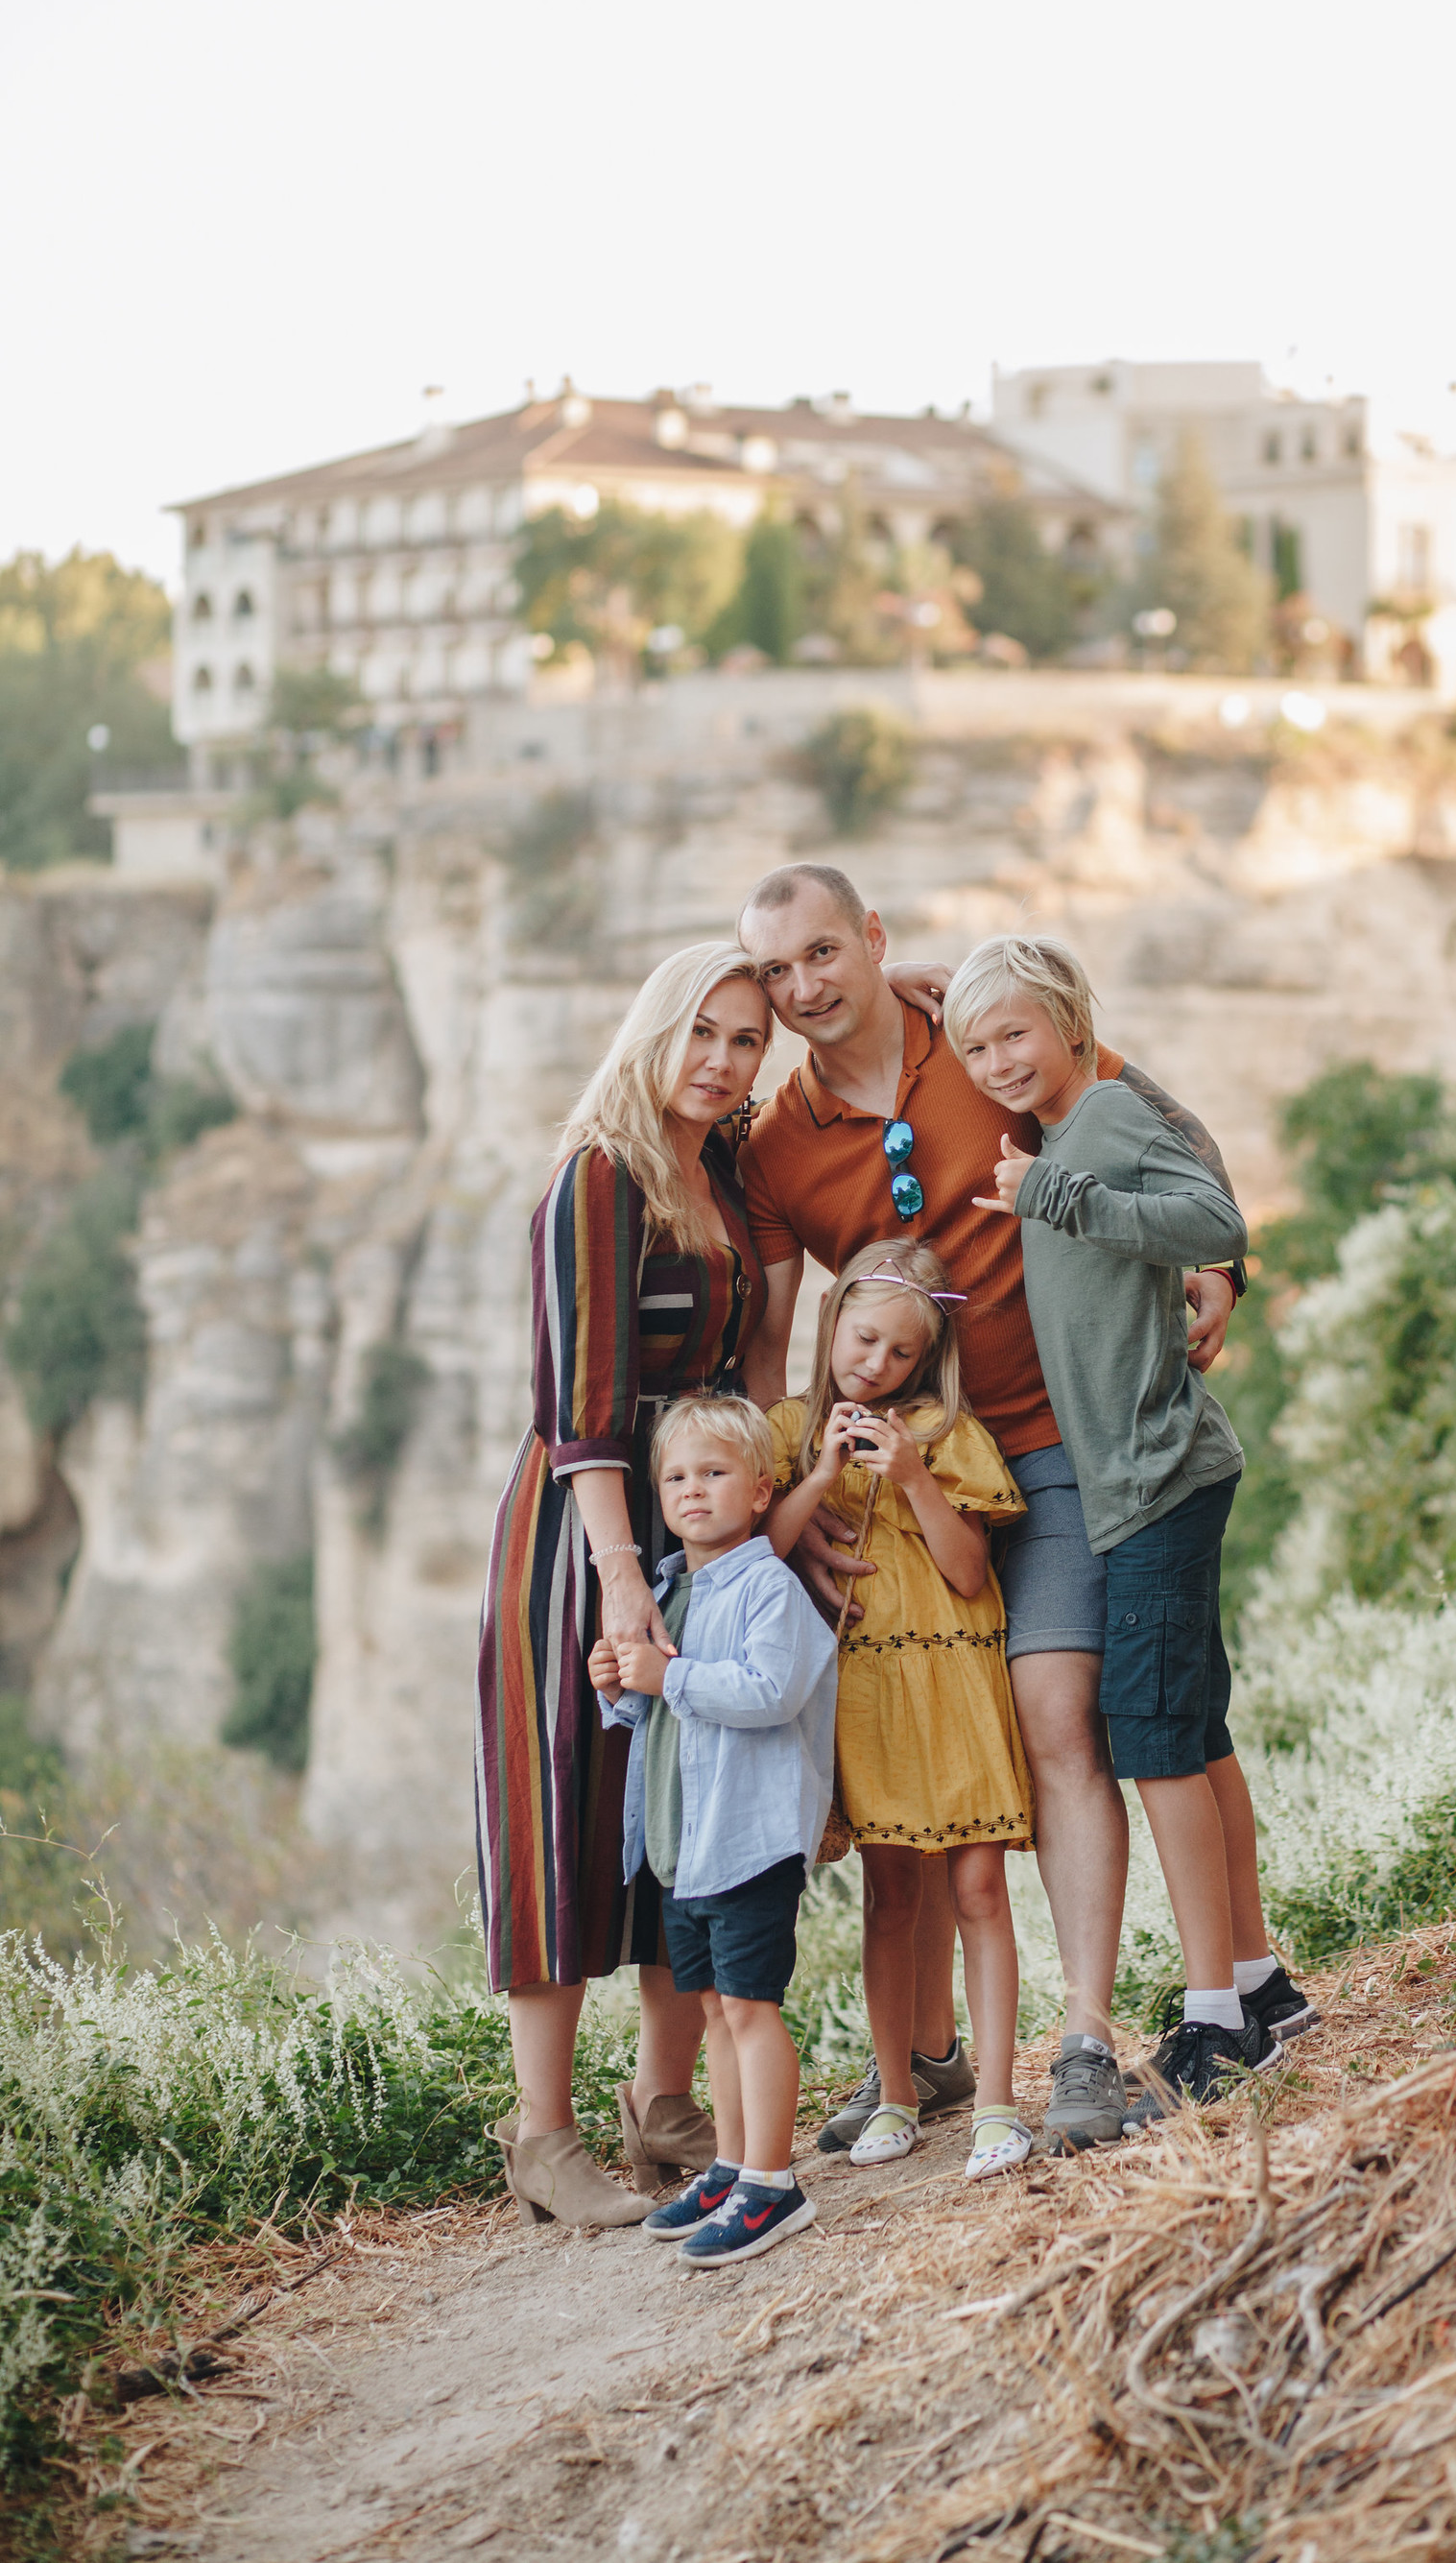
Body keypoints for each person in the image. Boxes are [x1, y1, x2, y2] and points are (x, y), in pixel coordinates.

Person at [737, 862, 1247, 2150]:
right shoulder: (777, 1148)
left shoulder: (980, 1036)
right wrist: (779, 1505)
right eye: (777, 972)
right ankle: (915, 2064)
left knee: (1057, 1717)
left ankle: (1080, 2040)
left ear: (872, 940)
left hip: (1061, 1449)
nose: (804, 991)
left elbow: (1158, 1126)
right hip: (904, 1494)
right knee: (902, 1745)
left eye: (822, 956)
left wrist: (1224, 1263)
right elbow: (776, 1336)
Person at [954, 932, 1320, 2112]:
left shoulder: (1095, 1126)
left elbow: (1213, 1221)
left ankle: (1217, 2021)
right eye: (973, 1044)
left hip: (1158, 1472)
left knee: (1151, 1731)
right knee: (1192, 1728)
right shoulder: (1073, 1130)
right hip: (1136, 1482)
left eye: (1015, 1032)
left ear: (1072, 1022)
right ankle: (1259, 1983)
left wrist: (1052, 1191)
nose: (996, 1058)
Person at [473, 941, 774, 2229]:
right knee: (566, 1805)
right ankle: (541, 2137)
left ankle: (662, 2109)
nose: (722, 1059)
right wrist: (615, 1577)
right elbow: (582, 1405)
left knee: (683, 1803)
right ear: (655, 1028)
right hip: (580, 1533)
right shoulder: (597, 1179)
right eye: (702, 1031)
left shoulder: (720, 1172)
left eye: (748, 1039)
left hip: (693, 1522)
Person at [766, 1239, 1036, 2183]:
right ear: (833, 1319)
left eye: (898, 1354)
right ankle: (894, 2093)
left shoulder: (949, 1436)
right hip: (869, 1697)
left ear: (924, 1363)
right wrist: (816, 1473)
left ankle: (997, 2098)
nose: (874, 1365)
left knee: (979, 1892)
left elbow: (969, 1574)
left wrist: (916, 1476)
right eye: (864, 1339)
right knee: (889, 1898)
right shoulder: (791, 1429)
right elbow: (761, 1554)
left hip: (958, 1684)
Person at [589, 1394, 837, 2264]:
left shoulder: (772, 1589)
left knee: (750, 2007)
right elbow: (654, 1714)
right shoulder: (665, 1591)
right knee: (711, 2008)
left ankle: (775, 2181)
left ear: (763, 1490)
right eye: (676, 1477)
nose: (693, 1491)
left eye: (716, 1473)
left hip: (748, 1837)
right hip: (681, 1845)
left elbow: (771, 1694)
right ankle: (733, 2162)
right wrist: (620, 1684)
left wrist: (671, 1675)